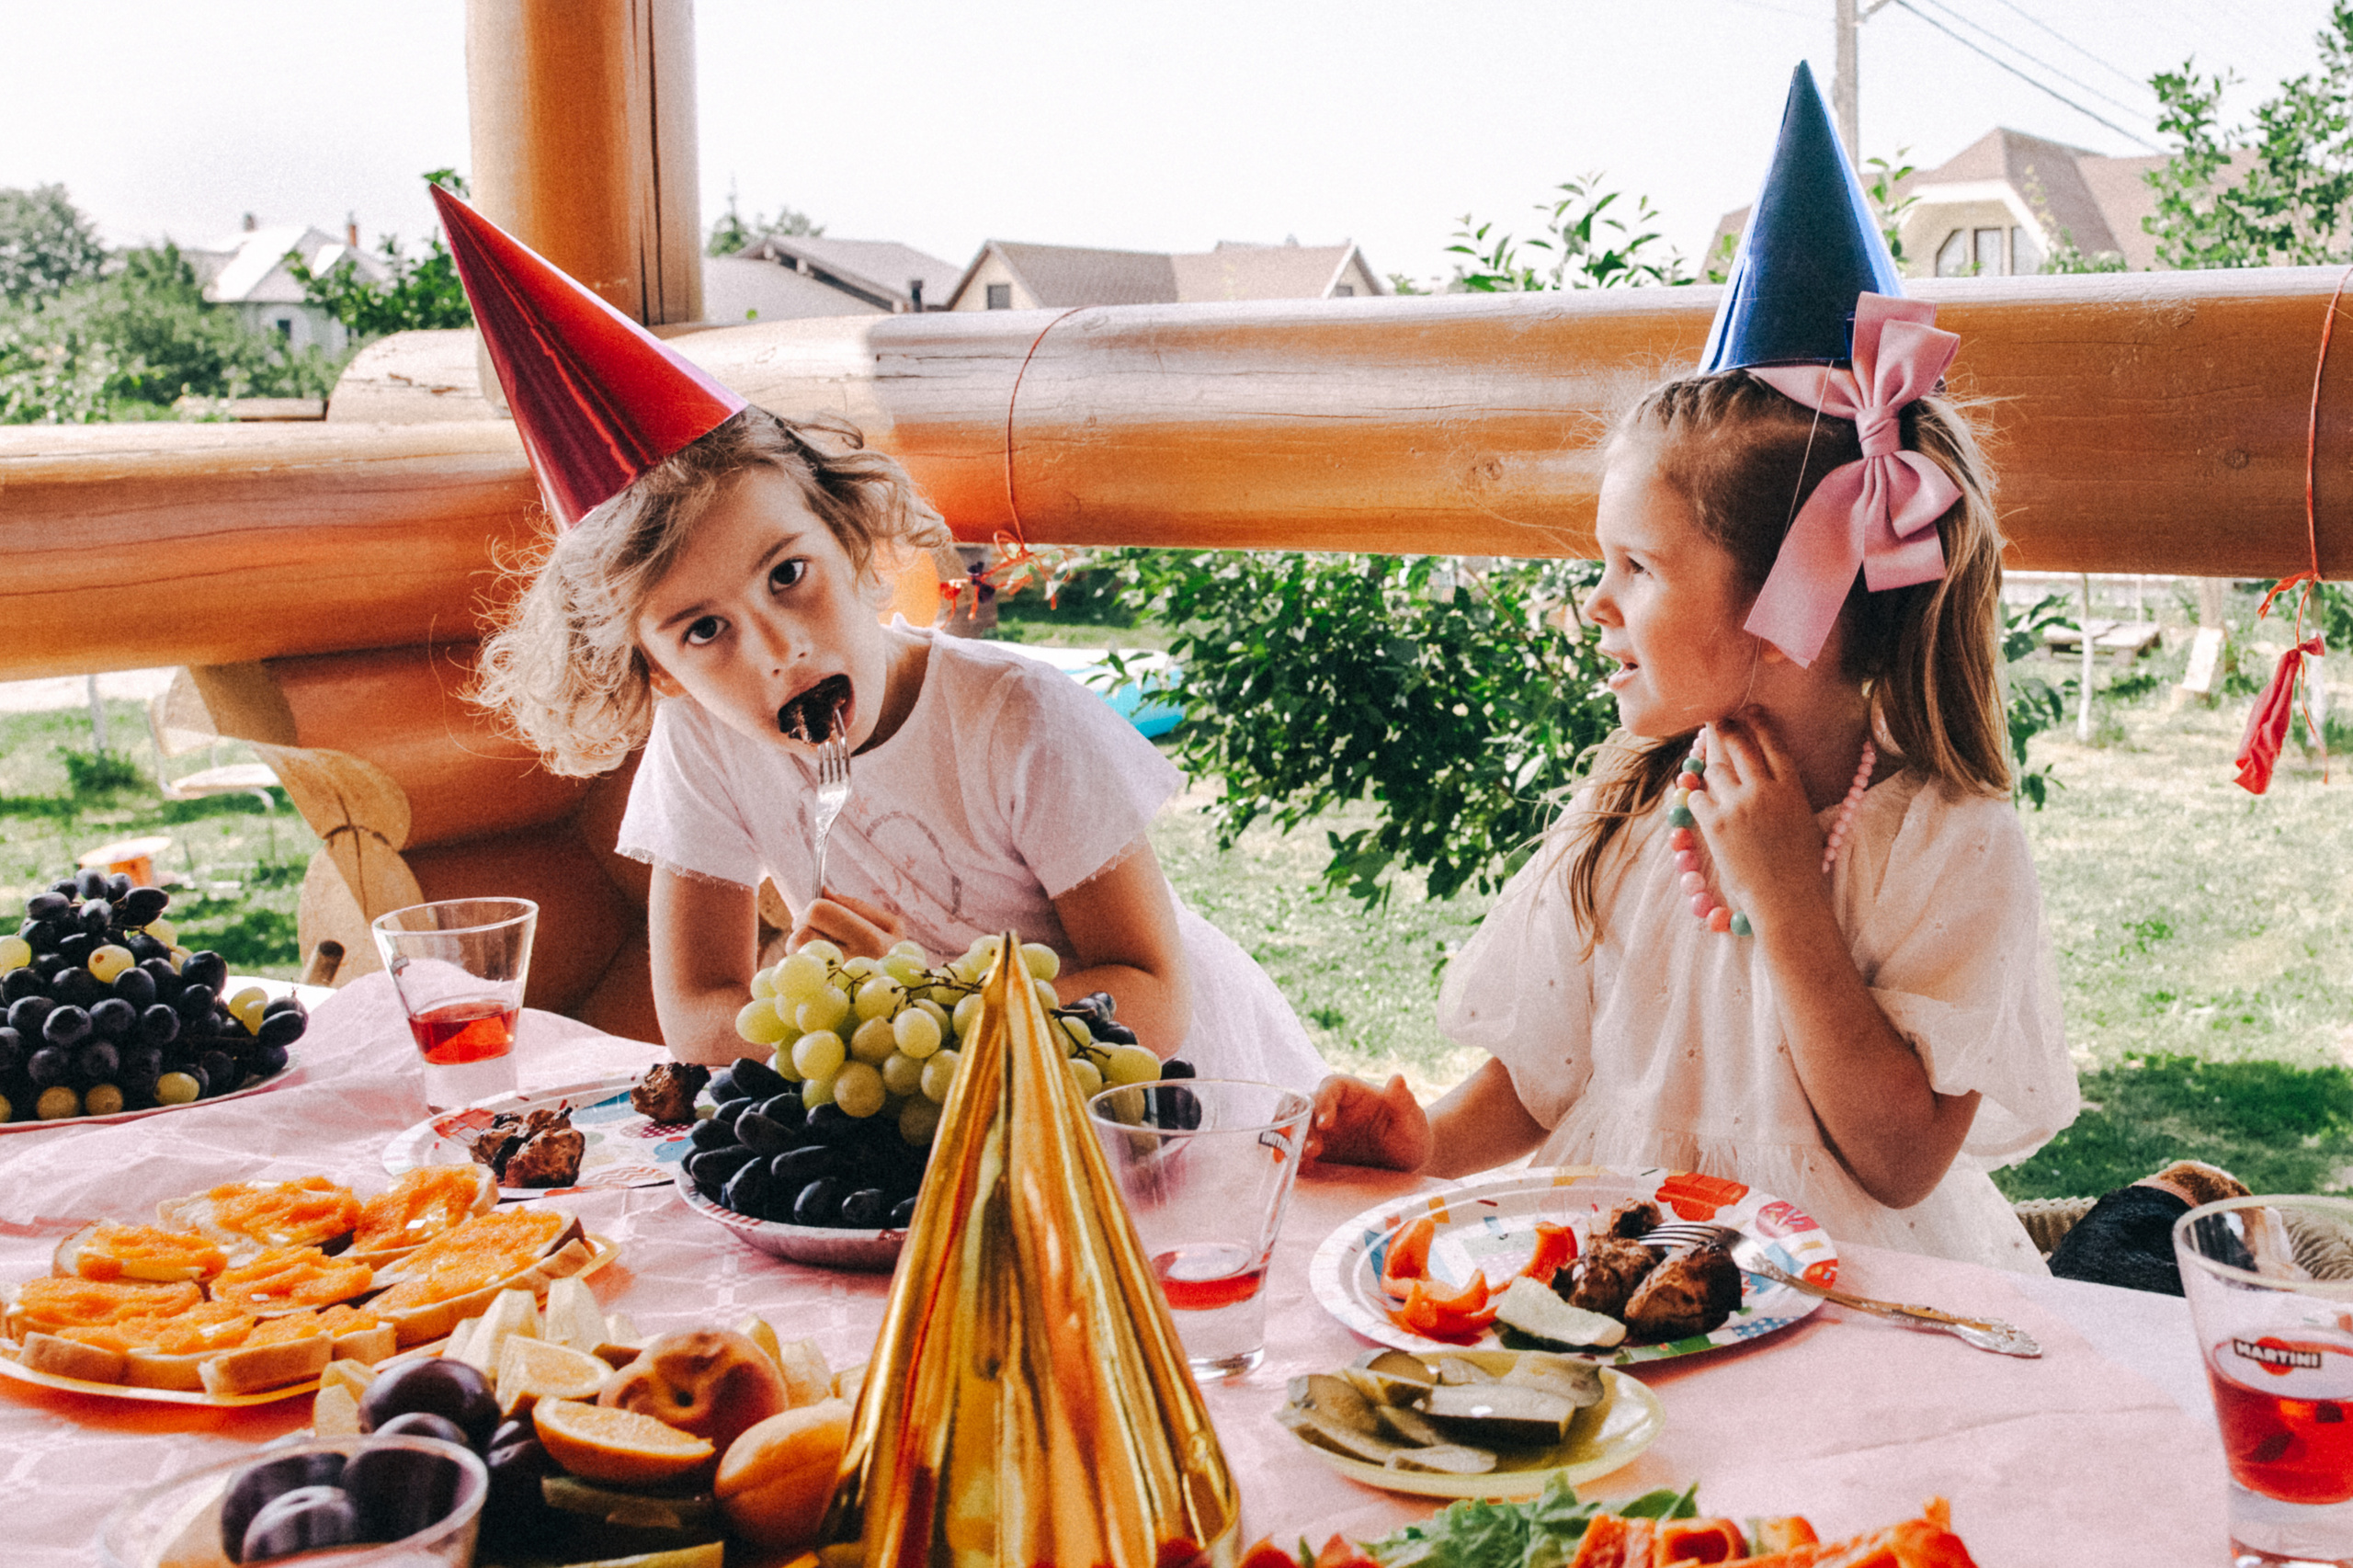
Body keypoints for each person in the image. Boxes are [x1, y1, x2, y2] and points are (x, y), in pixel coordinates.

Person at [1302, 65, 2079, 1272]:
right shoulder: (1629, 810)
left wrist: (1787, 898)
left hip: (1851, 1293)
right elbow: (1544, 1072)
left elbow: (1901, 1157)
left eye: (1638, 567)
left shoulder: (1945, 840)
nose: (1596, 603)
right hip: (1620, 1273)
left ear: (1787, 602)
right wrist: (1427, 1140)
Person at [430, 185, 1325, 1087]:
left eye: (788, 575)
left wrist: (917, 1008)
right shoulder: (701, 740)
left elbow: (1151, 995)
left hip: (1172, 1086)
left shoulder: (1017, 724)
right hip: (947, 1113)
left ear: (849, 534)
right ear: (655, 670)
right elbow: (699, 1014)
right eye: (703, 629)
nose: (777, 648)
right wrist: (797, 995)